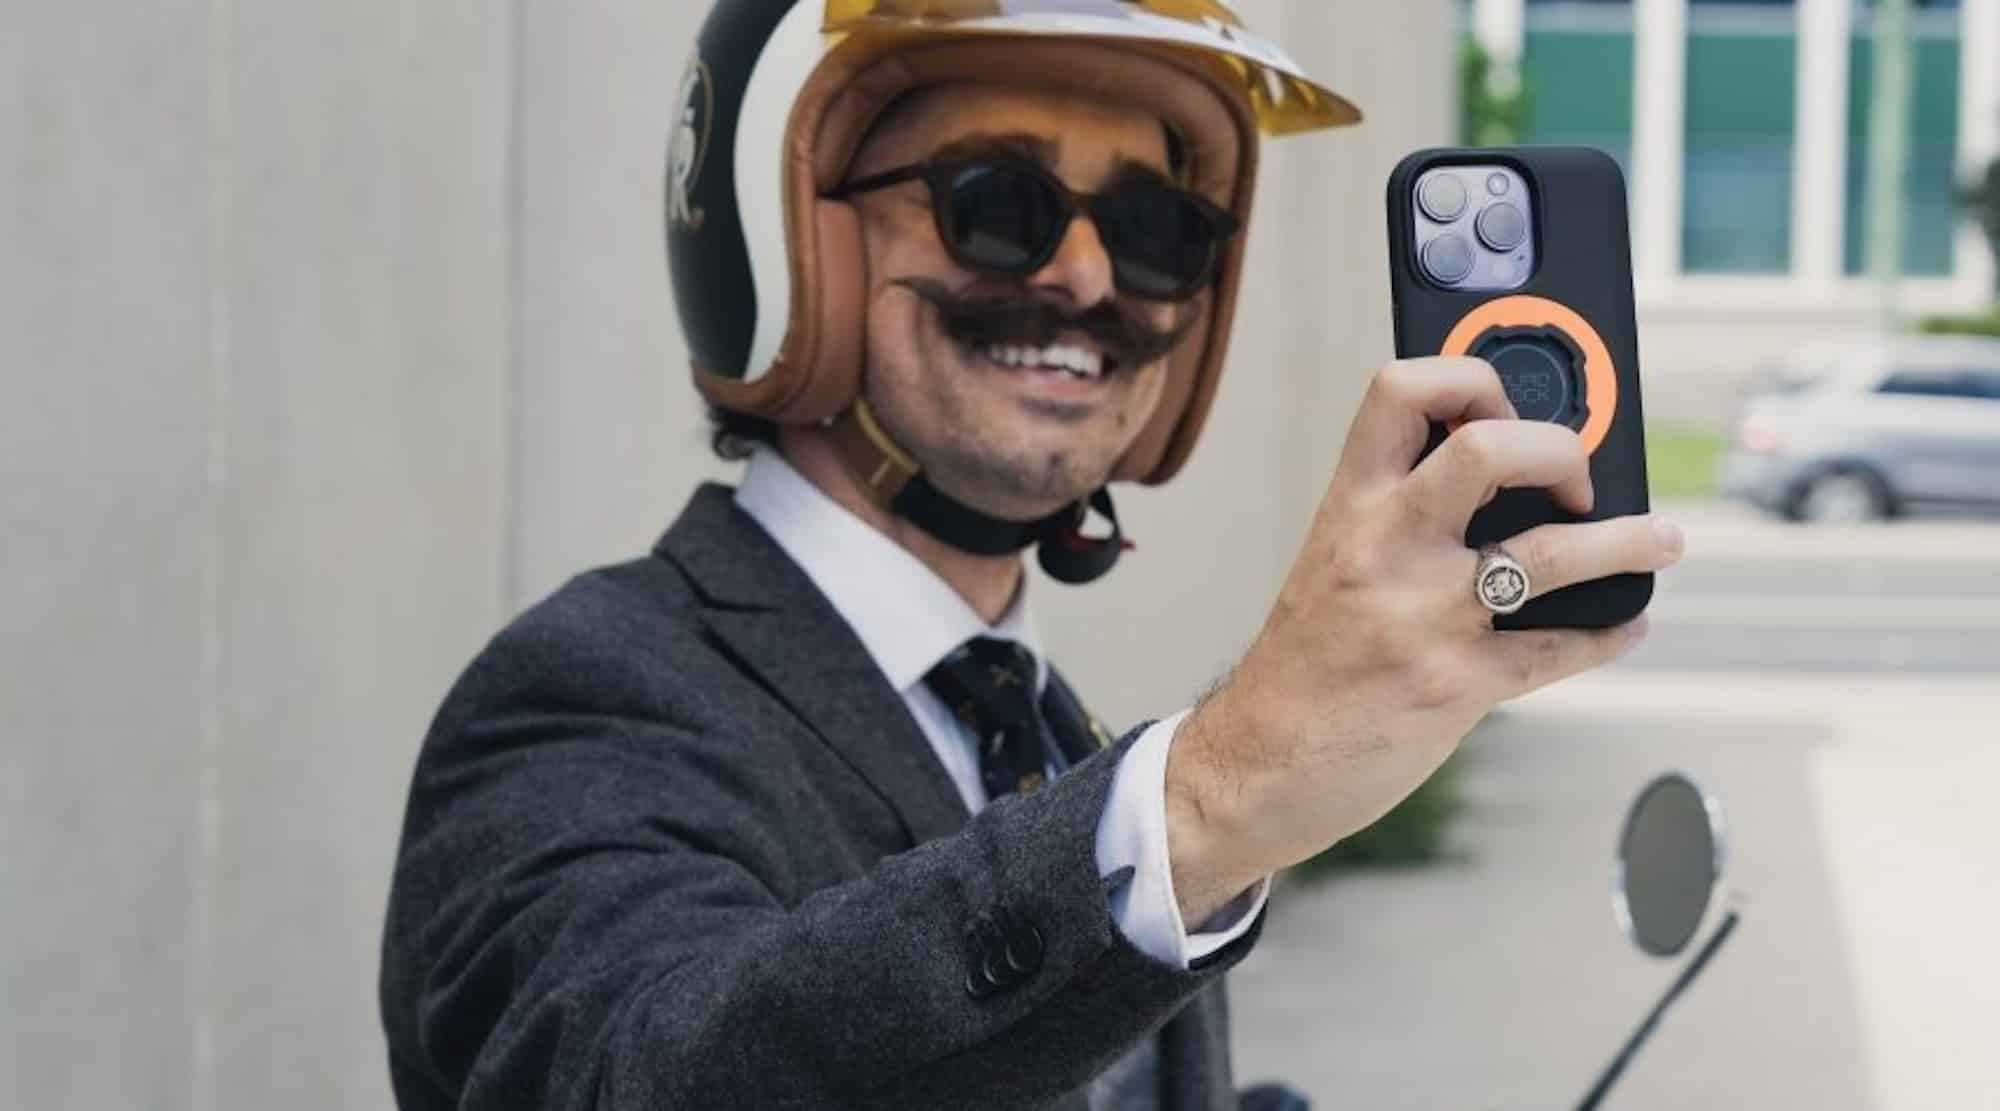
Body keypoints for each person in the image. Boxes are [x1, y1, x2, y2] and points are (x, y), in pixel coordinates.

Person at [377, 3, 1686, 1109]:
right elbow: (646, 1068)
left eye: (1157, 225)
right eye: (994, 203)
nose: (1087, 275)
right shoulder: (586, 697)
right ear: (798, 249)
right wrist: (1214, 794)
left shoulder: (1047, 733)